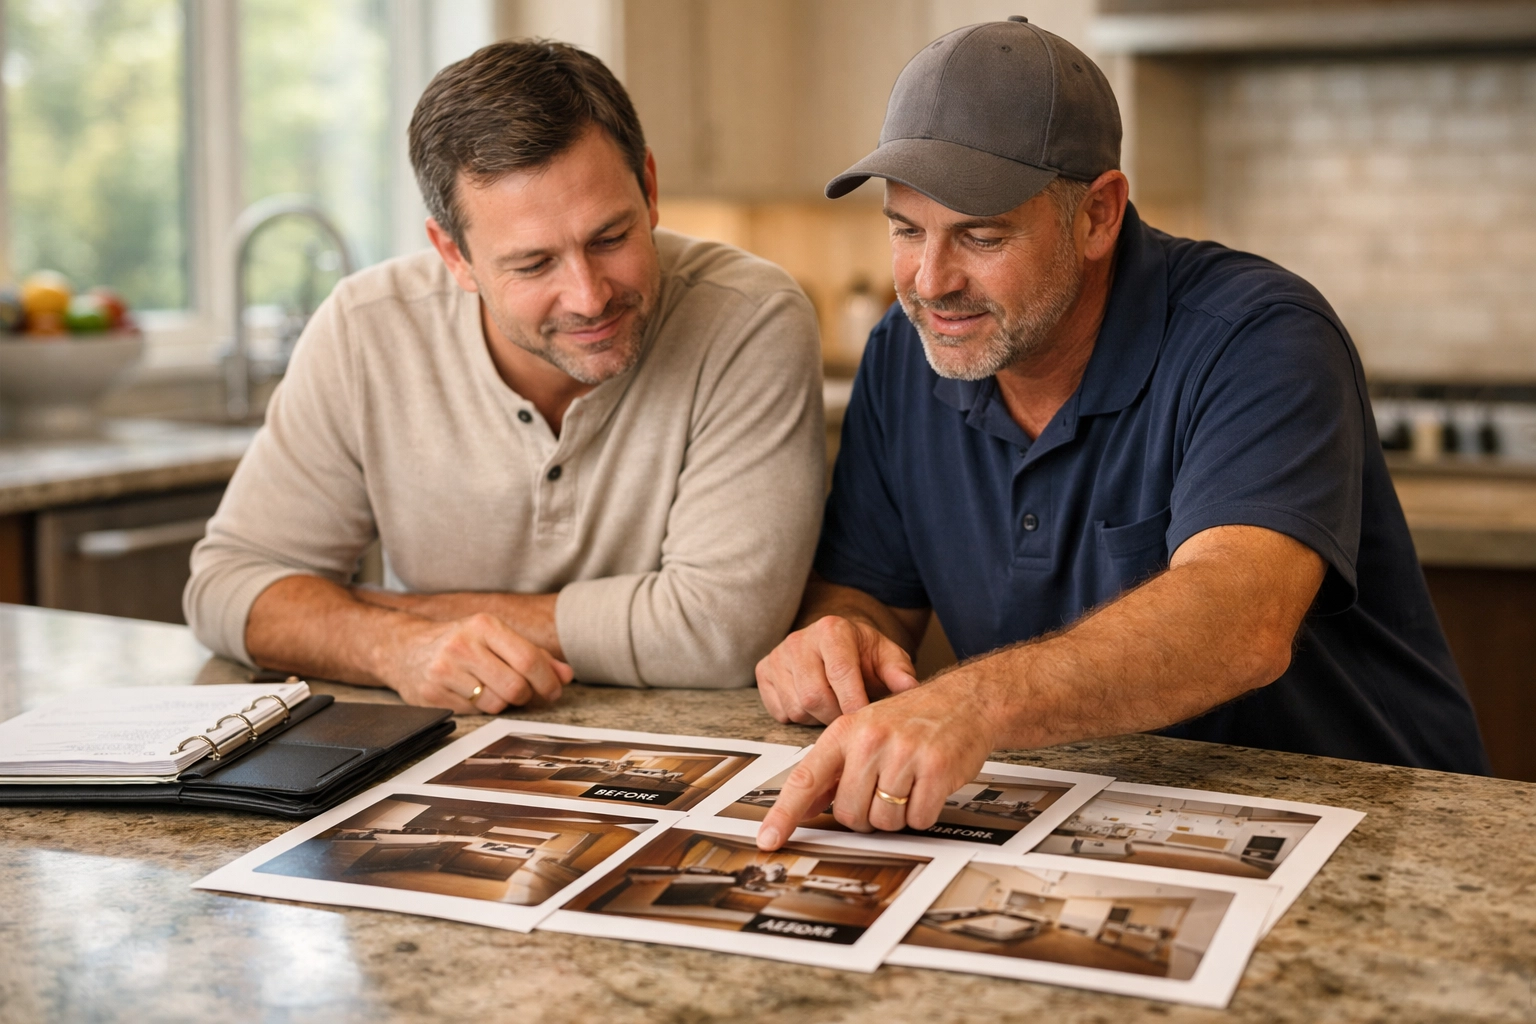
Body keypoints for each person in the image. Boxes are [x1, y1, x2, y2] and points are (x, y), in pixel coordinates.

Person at [754, 17, 1488, 851]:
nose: (931, 282)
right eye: (905, 228)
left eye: (982, 236)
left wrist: (971, 701)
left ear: (1098, 214)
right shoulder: (902, 354)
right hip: (1095, 828)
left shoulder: (1259, 335)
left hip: (1370, 841)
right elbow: (869, 595)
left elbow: (1239, 620)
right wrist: (838, 636)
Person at [185, 40, 824, 713]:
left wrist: (391, 611)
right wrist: (392, 645)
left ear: (650, 188)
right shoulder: (363, 328)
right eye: (533, 265)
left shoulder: (750, 317)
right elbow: (226, 587)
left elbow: (721, 630)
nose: (588, 295)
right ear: (453, 256)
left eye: (610, 238)